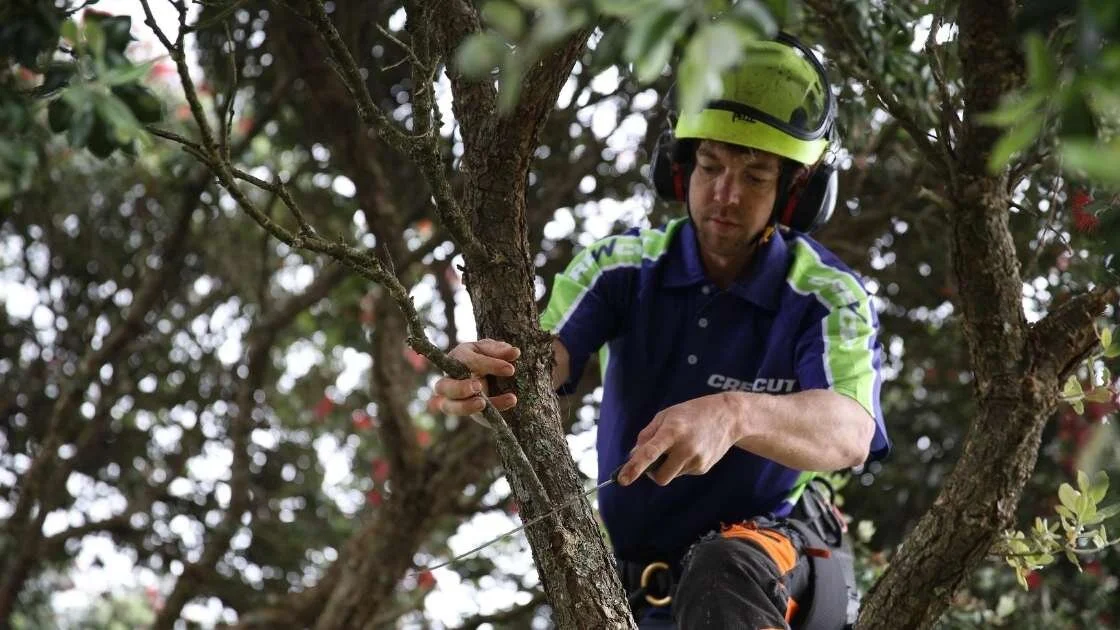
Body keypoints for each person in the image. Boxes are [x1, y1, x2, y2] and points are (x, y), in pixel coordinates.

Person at [434, 33, 890, 630]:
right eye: (710, 166)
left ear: (794, 193)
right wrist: (489, 371)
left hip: (771, 558)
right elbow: (547, 358)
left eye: (754, 176)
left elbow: (852, 431)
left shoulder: (827, 294)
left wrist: (735, 415)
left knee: (724, 568)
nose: (726, 194)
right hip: (632, 587)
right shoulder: (621, 266)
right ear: (678, 168)